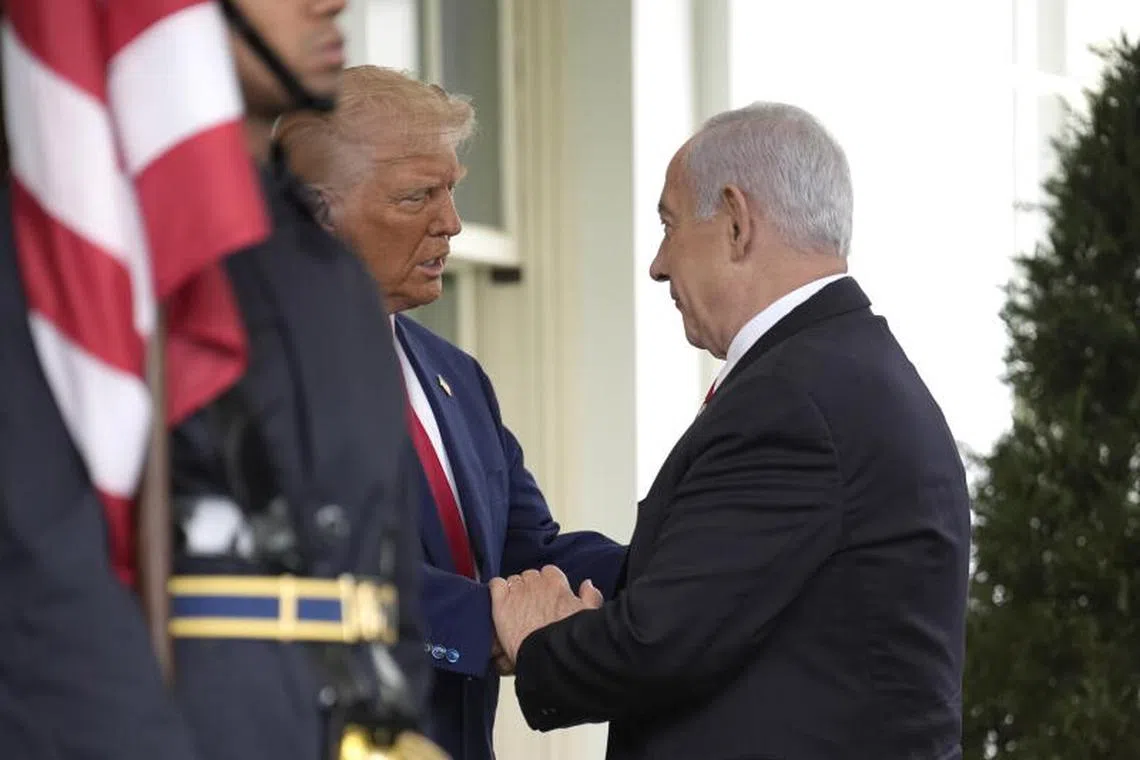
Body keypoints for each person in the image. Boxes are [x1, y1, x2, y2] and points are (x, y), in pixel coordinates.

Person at [489, 103, 972, 760]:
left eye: (668, 224)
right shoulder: (847, 369)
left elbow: (660, 643)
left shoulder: (794, 400)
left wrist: (534, 634)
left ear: (738, 223)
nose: (658, 265)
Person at [275, 65, 626, 760]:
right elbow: (308, 570)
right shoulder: (251, 379)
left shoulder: (456, 377)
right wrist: (491, 622)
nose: (452, 223)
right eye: (418, 197)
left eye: (453, 191)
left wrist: (678, 572)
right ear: (317, 214)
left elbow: (530, 552)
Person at [165, 3, 438, 760]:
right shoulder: (97, 246)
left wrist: (401, 723)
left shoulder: (332, 276)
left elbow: (376, 565)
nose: (331, 4)